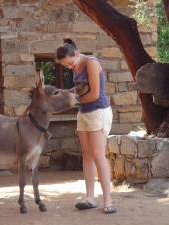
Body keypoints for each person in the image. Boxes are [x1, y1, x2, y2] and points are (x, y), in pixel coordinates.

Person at [56, 38, 116, 214]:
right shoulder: (76, 66)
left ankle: (108, 201)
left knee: (98, 154)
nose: (69, 67)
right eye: (65, 65)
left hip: (99, 112)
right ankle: (90, 198)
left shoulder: (91, 63)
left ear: (76, 54)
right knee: (87, 155)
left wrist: (70, 103)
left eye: (69, 63)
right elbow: (80, 89)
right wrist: (63, 93)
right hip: (84, 113)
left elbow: (95, 95)